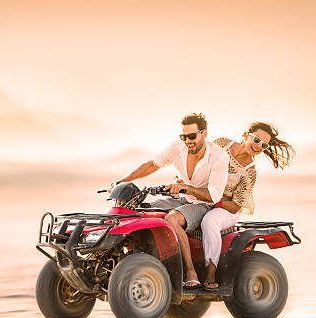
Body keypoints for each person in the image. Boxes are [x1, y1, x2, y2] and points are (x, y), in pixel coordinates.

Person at [111, 113, 228, 289]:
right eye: (184, 137)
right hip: (181, 199)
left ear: (204, 133)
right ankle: (134, 262)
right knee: (138, 212)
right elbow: (152, 165)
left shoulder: (218, 157)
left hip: (203, 204)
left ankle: (190, 272)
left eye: (191, 136)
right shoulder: (177, 149)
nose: (187, 141)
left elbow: (214, 196)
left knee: (172, 219)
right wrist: (124, 181)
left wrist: (186, 188)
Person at [200, 122, 295, 290]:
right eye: (256, 140)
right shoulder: (222, 144)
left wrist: (216, 202)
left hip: (225, 209)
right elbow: (201, 163)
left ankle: (210, 273)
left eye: (263, 145)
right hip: (201, 197)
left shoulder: (250, 172)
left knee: (210, 222)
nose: (258, 146)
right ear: (246, 135)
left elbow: (236, 205)